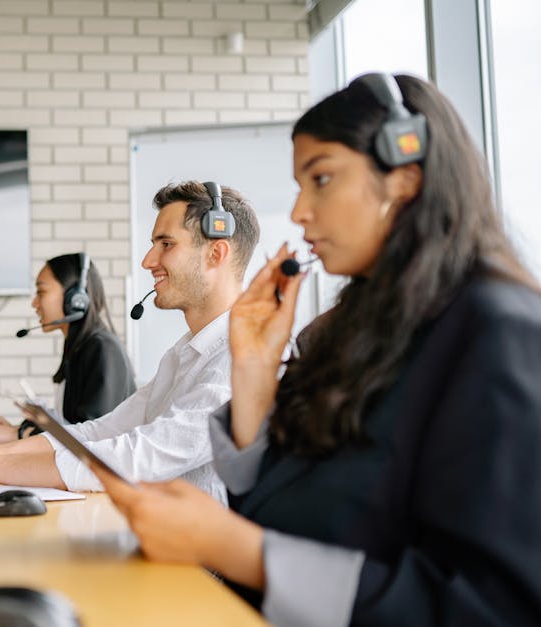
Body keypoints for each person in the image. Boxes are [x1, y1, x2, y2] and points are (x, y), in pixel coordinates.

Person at [93, 73, 541, 626]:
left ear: (405, 174)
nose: (300, 210)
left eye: (322, 178)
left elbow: (489, 608)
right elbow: (291, 512)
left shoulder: (499, 334)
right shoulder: (343, 333)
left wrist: (239, 551)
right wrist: (254, 371)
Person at [0, 181, 261, 501]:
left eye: (165, 244)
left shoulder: (239, 359)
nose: (148, 260)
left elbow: (140, 456)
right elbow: (100, 429)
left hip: (200, 569)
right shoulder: (184, 354)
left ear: (216, 253)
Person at [0, 253, 136, 444]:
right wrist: (21, 428)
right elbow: (70, 424)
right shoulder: (80, 347)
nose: (34, 303)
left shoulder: (102, 349)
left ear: (75, 299)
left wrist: (19, 435)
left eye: (41, 292)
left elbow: (91, 440)